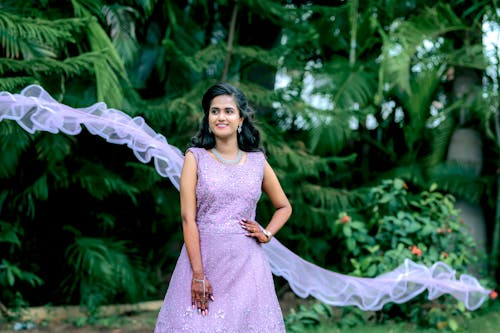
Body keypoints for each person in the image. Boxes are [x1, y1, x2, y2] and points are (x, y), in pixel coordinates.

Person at [154, 82, 292, 332]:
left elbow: (284, 206)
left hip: (247, 266)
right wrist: (198, 274)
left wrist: (267, 233)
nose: (221, 116)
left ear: (240, 119)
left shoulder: (258, 162)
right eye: (214, 111)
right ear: (208, 118)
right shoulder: (194, 158)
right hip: (204, 261)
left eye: (228, 111)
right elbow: (188, 219)